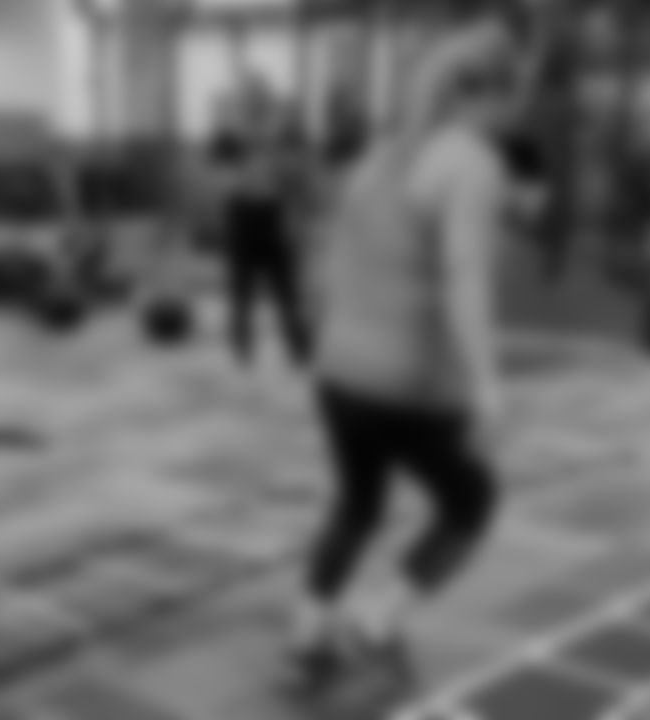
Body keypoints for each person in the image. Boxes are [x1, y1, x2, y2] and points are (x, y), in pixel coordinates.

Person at [290, 19, 516, 686]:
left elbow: (331, 259)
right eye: (519, 97)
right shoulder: (471, 163)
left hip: (340, 373)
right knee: (472, 501)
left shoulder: (380, 155)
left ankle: (308, 633)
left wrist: (326, 335)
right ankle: (376, 620)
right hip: (408, 384)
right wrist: (487, 386)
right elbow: (467, 279)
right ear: (496, 94)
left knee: (358, 505)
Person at [214, 79, 313, 371]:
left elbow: (297, 171)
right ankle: (241, 347)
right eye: (249, 100)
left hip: (274, 214)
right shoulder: (229, 137)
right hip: (242, 215)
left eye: (260, 100)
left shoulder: (282, 133)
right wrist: (250, 161)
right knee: (240, 287)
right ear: (242, 103)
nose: (255, 106)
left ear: (267, 103)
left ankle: (298, 347)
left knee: (286, 287)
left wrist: (277, 162)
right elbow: (223, 179)